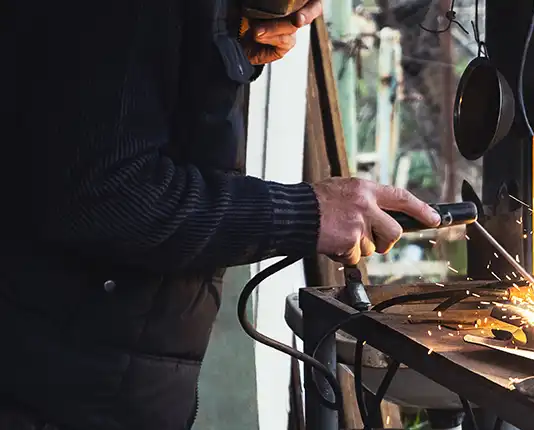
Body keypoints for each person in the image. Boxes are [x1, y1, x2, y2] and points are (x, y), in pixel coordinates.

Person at [4, 0, 440, 429]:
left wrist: (224, 51)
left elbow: (112, 113)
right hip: (57, 390)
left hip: (109, 382)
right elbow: (107, 195)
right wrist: (305, 213)